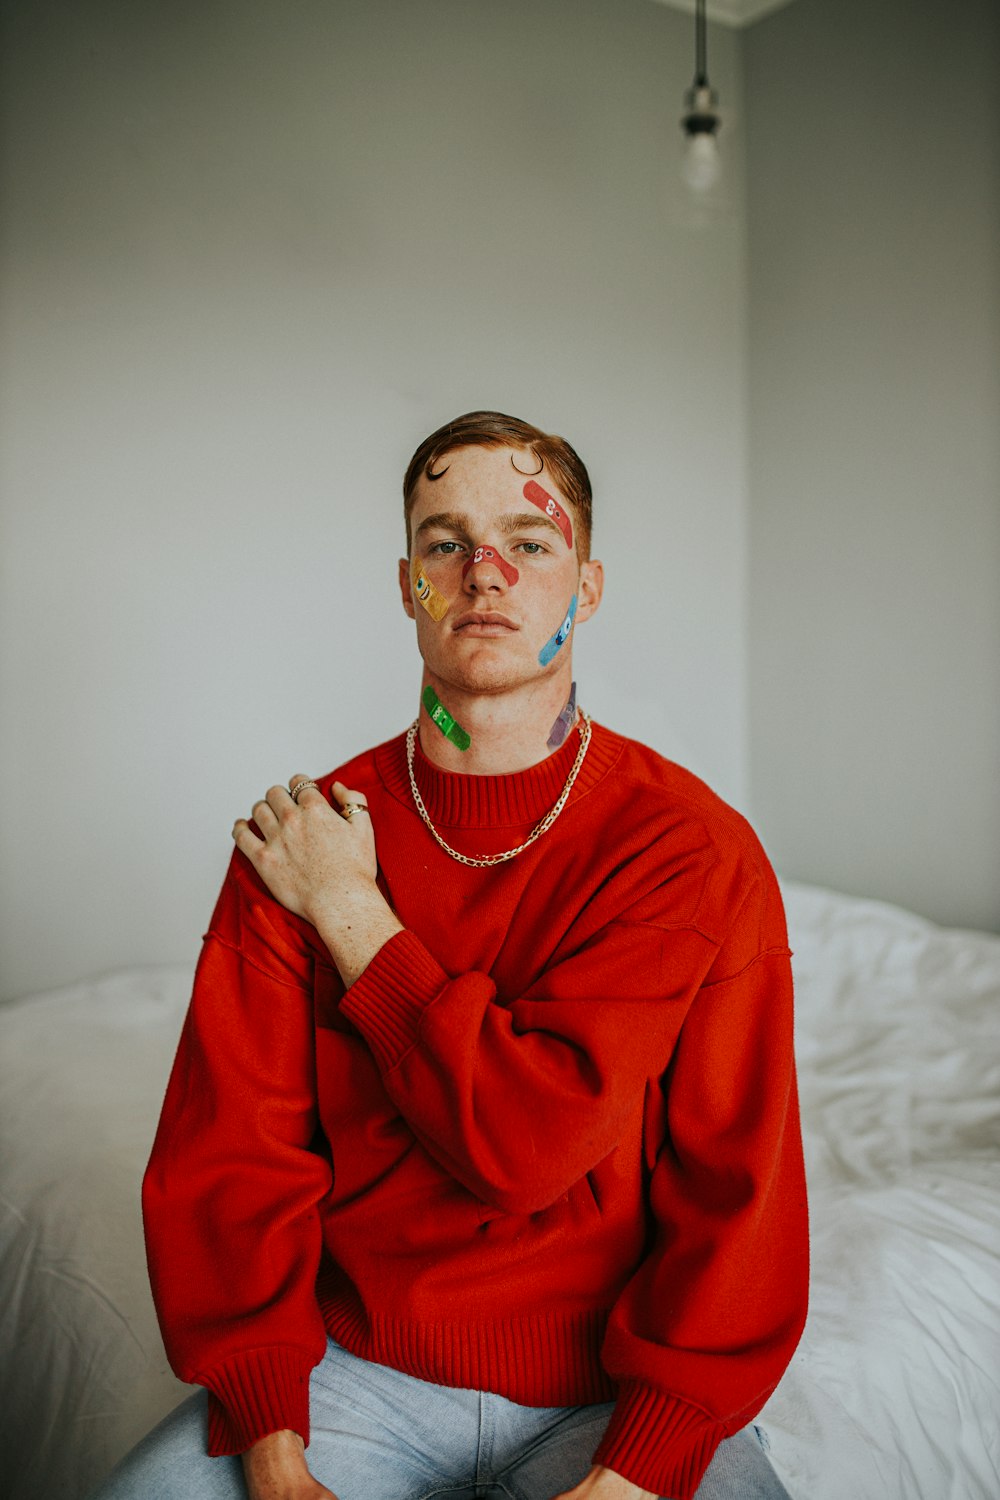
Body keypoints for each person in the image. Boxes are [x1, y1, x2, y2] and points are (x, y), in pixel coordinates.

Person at [90, 412, 808, 1500]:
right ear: (405, 582)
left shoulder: (687, 849)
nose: (483, 574)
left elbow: (703, 1186)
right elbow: (229, 1163)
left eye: (528, 542)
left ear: (588, 586)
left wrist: (350, 912)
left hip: (609, 1402)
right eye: (444, 543)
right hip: (347, 1379)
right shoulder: (304, 834)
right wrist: (274, 1451)